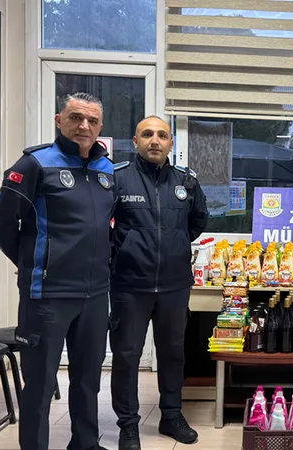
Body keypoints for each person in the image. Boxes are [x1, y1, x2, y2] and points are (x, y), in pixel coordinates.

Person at [0, 92, 114, 450]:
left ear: (100, 127)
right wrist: (34, 265)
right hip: (47, 296)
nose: (83, 126)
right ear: (59, 121)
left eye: (91, 120)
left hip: (95, 294)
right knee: (40, 385)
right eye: (75, 118)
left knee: (88, 379)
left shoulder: (107, 170)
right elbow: (0, 225)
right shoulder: (35, 164)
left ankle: (85, 443)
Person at [110, 116, 208, 449]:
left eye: (162, 135)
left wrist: (173, 245)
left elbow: (197, 221)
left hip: (174, 285)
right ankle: (128, 425)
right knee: (126, 356)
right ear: (135, 141)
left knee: (172, 354)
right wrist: (125, 250)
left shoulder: (186, 182)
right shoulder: (118, 179)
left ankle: (171, 416)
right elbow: (102, 225)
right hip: (129, 286)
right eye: (148, 134)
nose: (155, 140)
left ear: (170, 144)